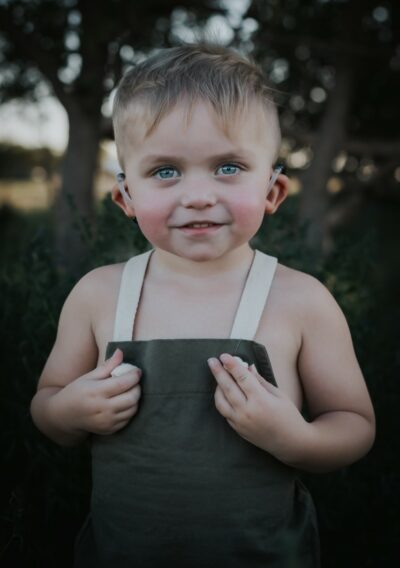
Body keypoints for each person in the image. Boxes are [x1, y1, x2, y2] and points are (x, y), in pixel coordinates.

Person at [30, 41, 375, 568]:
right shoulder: (98, 294)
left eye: (229, 167)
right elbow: (47, 404)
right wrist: (70, 411)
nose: (197, 195)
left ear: (273, 191)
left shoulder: (302, 300)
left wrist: (296, 440)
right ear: (126, 197)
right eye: (166, 171)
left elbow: (353, 421)